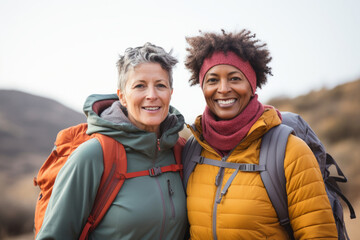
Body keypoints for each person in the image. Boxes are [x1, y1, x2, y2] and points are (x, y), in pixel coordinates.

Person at [182, 29, 338, 239]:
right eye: (212, 80)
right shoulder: (193, 149)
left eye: (235, 78)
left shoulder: (290, 151)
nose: (223, 89)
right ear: (202, 86)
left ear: (251, 84)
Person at [36, 43, 188, 239]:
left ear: (170, 93)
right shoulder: (93, 155)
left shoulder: (180, 151)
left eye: (160, 85)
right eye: (140, 86)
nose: (152, 95)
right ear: (122, 97)